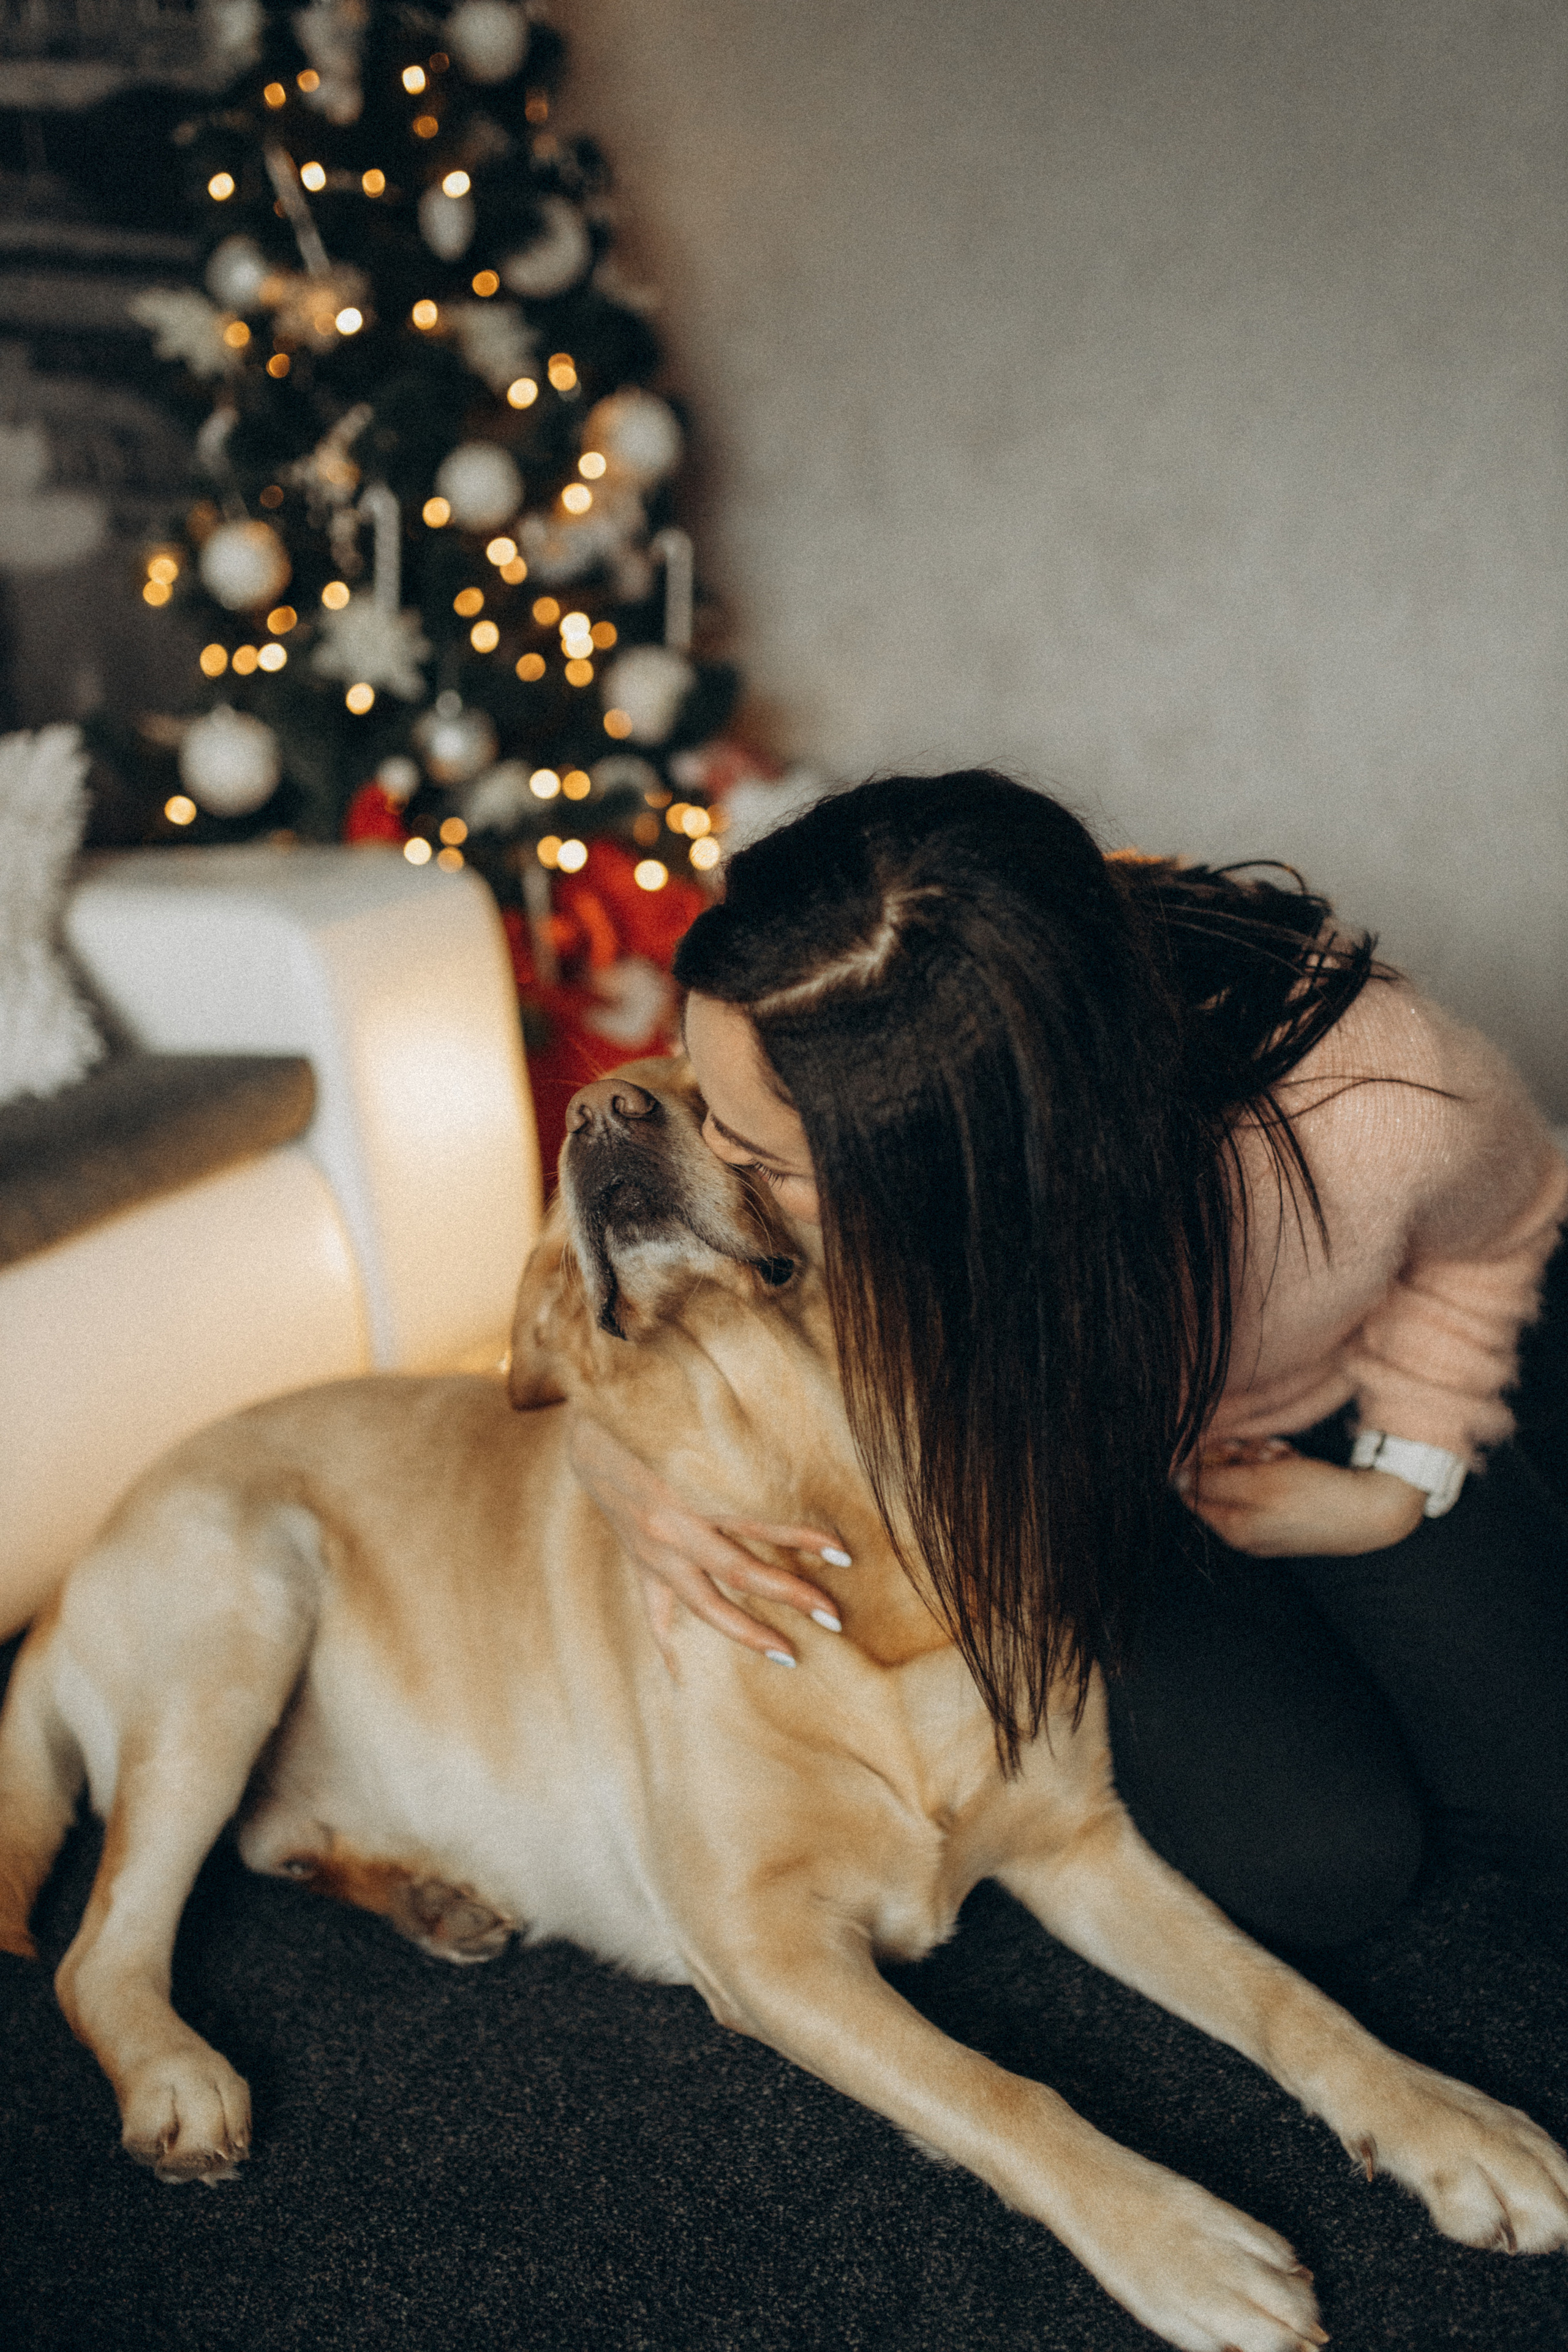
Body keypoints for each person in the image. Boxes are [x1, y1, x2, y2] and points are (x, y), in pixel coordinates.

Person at [568, 771, 1568, 1953]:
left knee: (1541, 1806)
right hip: (1105, 1471)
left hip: (1361, 1389)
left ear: (963, 1159)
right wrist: (610, 1462)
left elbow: (1507, 1234)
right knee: (1327, 1868)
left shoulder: (1375, 1097)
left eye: (764, 1159)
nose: (714, 1163)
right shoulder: (802, 1072)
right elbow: (621, 1311)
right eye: (706, 1105)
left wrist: (1397, 1483)